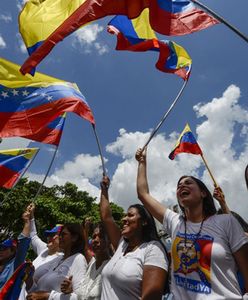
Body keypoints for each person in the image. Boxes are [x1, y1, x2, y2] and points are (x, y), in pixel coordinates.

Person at [136, 148, 248, 300]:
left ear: (203, 193)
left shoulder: (226, 222)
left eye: (188, 183)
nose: (181, 186)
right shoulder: (175, 223)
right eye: (179, 186)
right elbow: (143, 194)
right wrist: (142, 162)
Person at [99, 176, 168, 300]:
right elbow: (106, 217)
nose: (124, 219)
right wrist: (104, 189)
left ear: (144, 222)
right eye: (125, 216)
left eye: (130, 215)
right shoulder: (121, 244)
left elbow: (151, 297)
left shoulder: (153, 249)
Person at [26, 223, 87, 300]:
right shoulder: (58, 259)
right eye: (59, 235)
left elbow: (79, 297)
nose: (60, 237)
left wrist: (48, 296)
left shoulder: (79, 259)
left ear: (74, 238)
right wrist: (28, 279)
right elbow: (38, 293)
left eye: (63, 234)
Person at [60, 222, 111, 299]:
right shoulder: (91, 265)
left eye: (101, 237)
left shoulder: (113, 267)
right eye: (94, 237)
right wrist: (70, 291)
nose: (96, 240)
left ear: (110, 241)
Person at [0, 208, 31, 290]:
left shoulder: (15, 264)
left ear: (13, 251)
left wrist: (27, 221)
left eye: (3, 248)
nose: (0, 251)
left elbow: (23, 242)